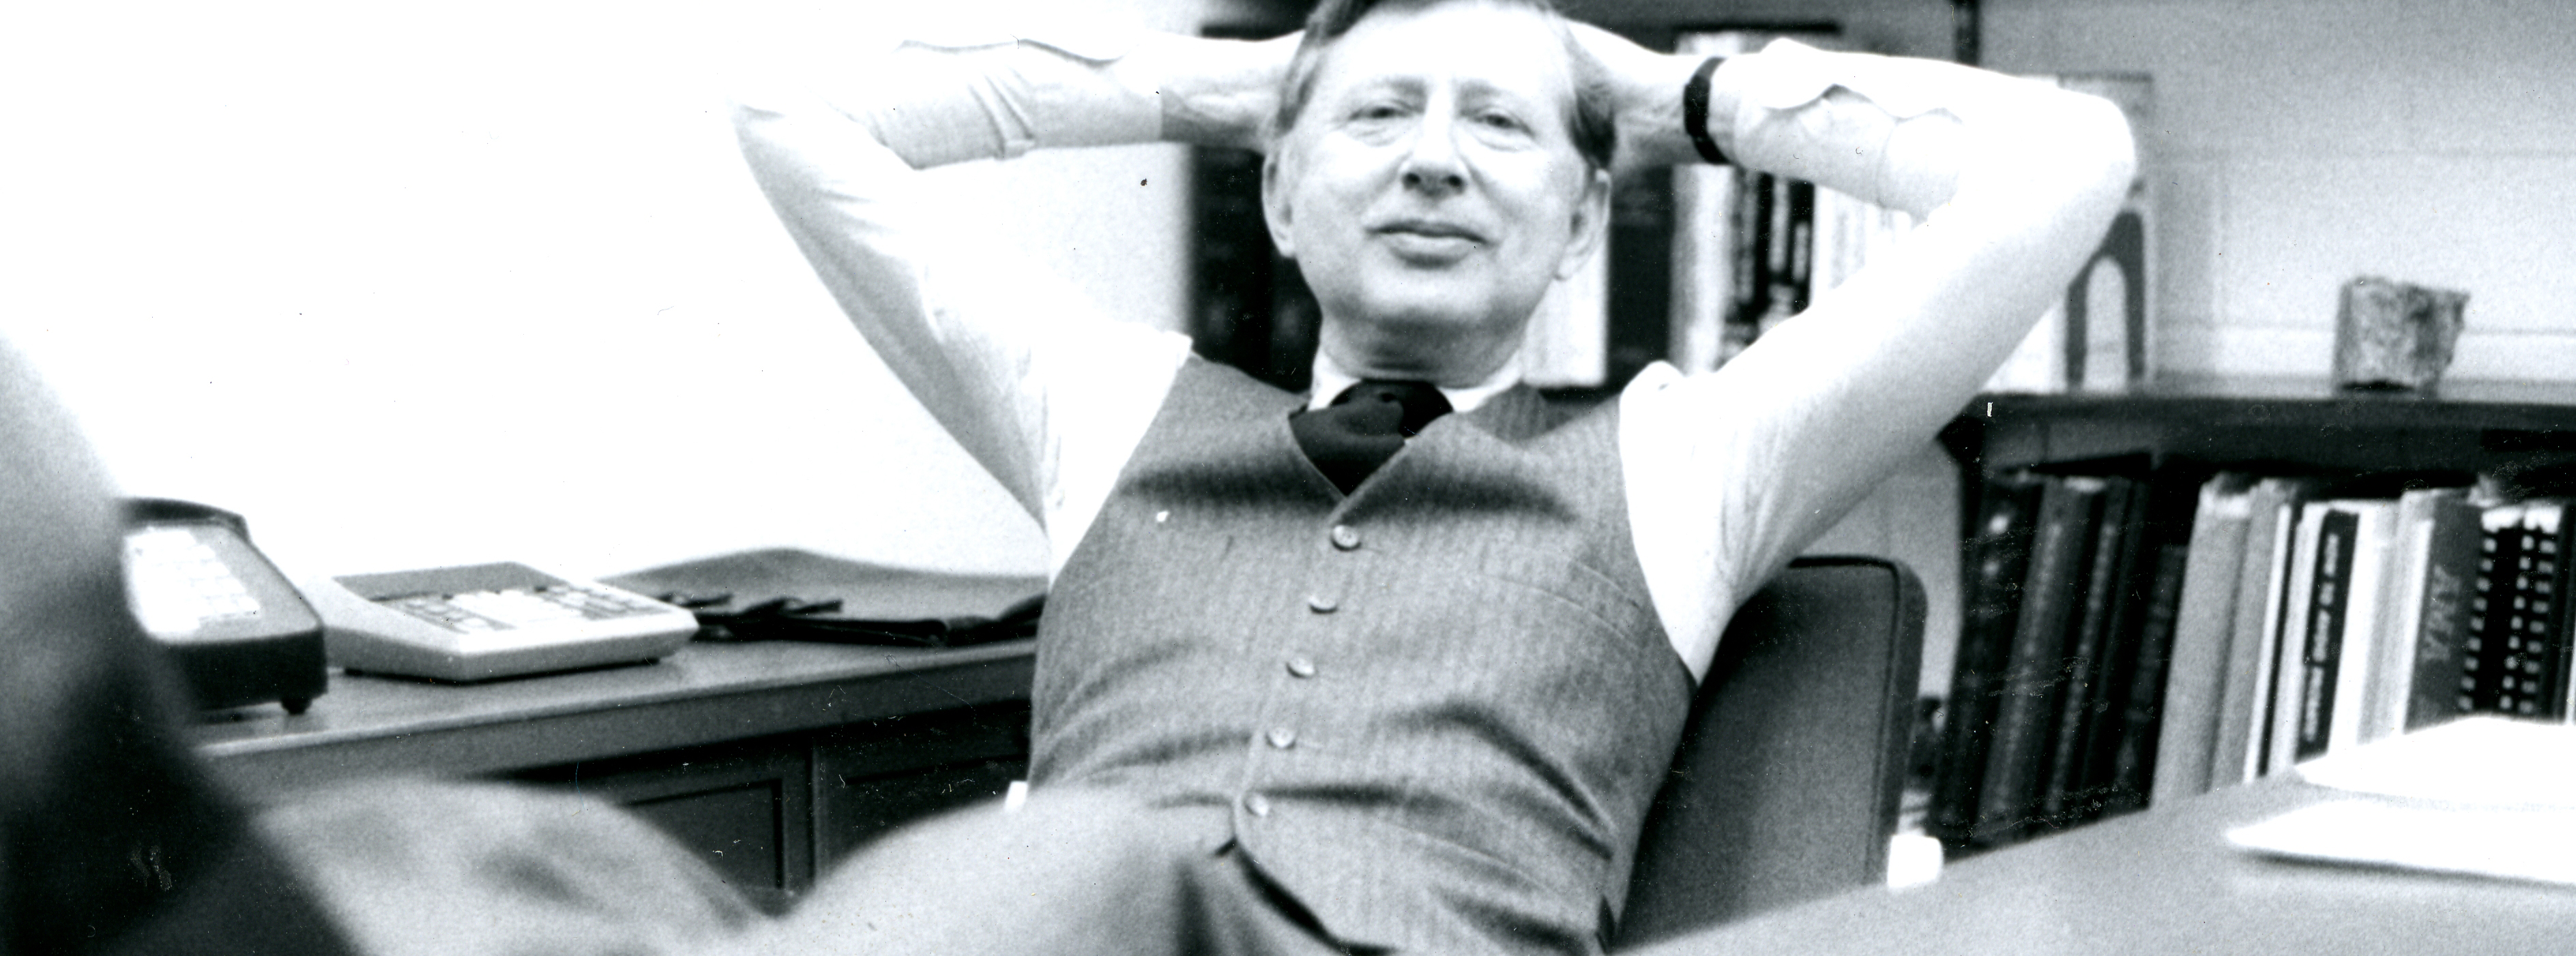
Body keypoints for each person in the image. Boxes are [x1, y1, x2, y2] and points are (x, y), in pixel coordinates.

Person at [726, 1, 2133, 955]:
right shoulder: (1111, 415)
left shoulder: (1679, 468)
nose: (1435, 165)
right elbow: (791, 109)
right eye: (1382, 119)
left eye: (1500, 128)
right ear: (1277, 195)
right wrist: (1243, 86)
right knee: (532, 866)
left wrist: (1678, 93)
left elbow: (2071, 160)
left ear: (1584, 220)